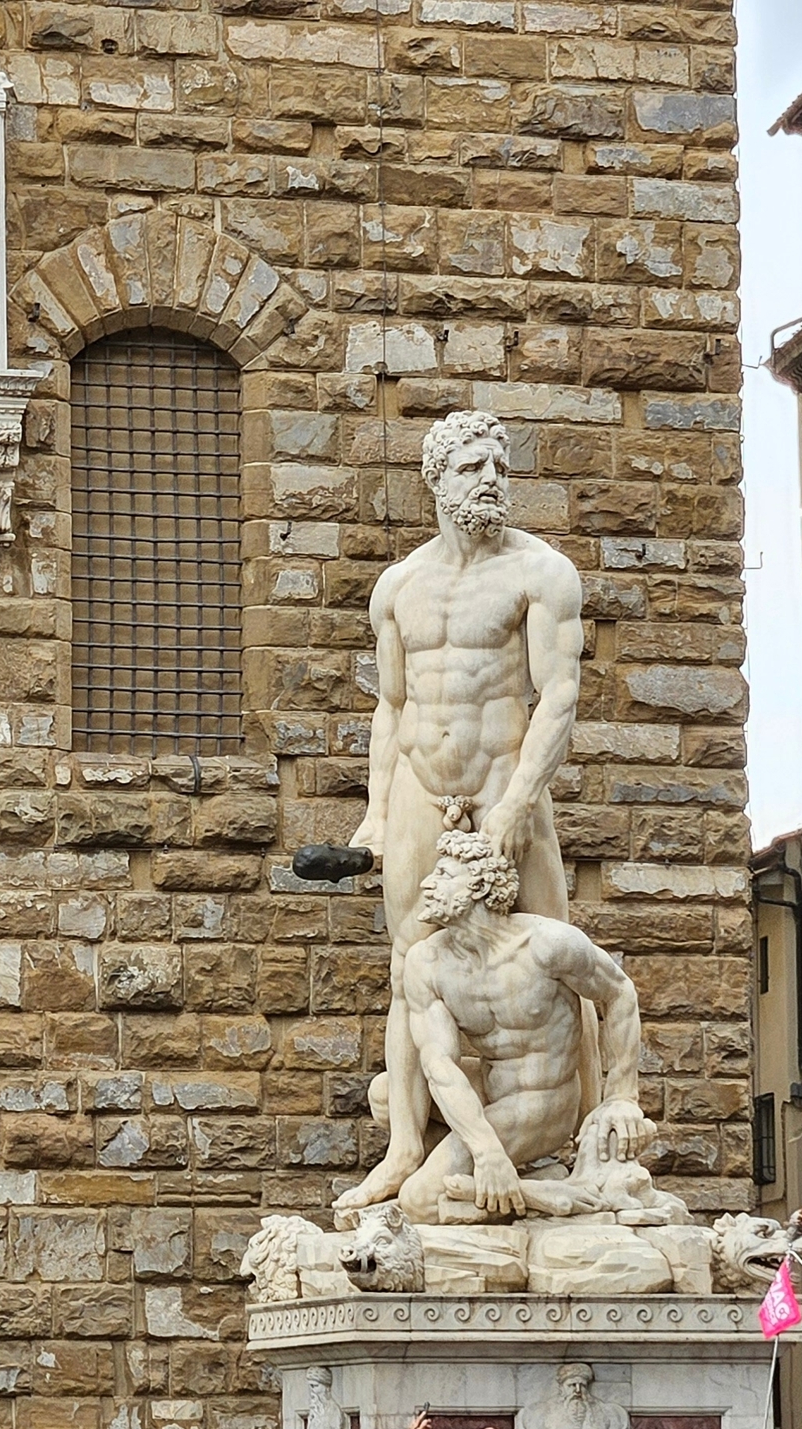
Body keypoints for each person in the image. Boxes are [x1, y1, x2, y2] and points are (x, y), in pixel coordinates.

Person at [338, 407, 587, 1219]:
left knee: (555, 955)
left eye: (499, 468)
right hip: (420, 786)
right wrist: (376, 813)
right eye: (472, 467)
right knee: (410, 964)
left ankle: (584, 1143)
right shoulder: (397, 586)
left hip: (503, 781)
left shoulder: (540, 572)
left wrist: (515, 805)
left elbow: (557, 696)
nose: (490, 480)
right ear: (436, 480)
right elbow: (391, 705)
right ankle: (403, 1149)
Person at [329, 829, 668, 1226]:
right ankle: (514, 1178)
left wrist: (622, 1095)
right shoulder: (427, 962)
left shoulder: (547, 944)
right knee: (385, 1094)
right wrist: (486, 1150)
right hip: (491, 1089)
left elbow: (619, 993)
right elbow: (440, 1066)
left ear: (479, 886)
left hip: (543, 1103)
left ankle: (530, 1191)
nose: (426, 884)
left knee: (419, 1202)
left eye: (443, 875)